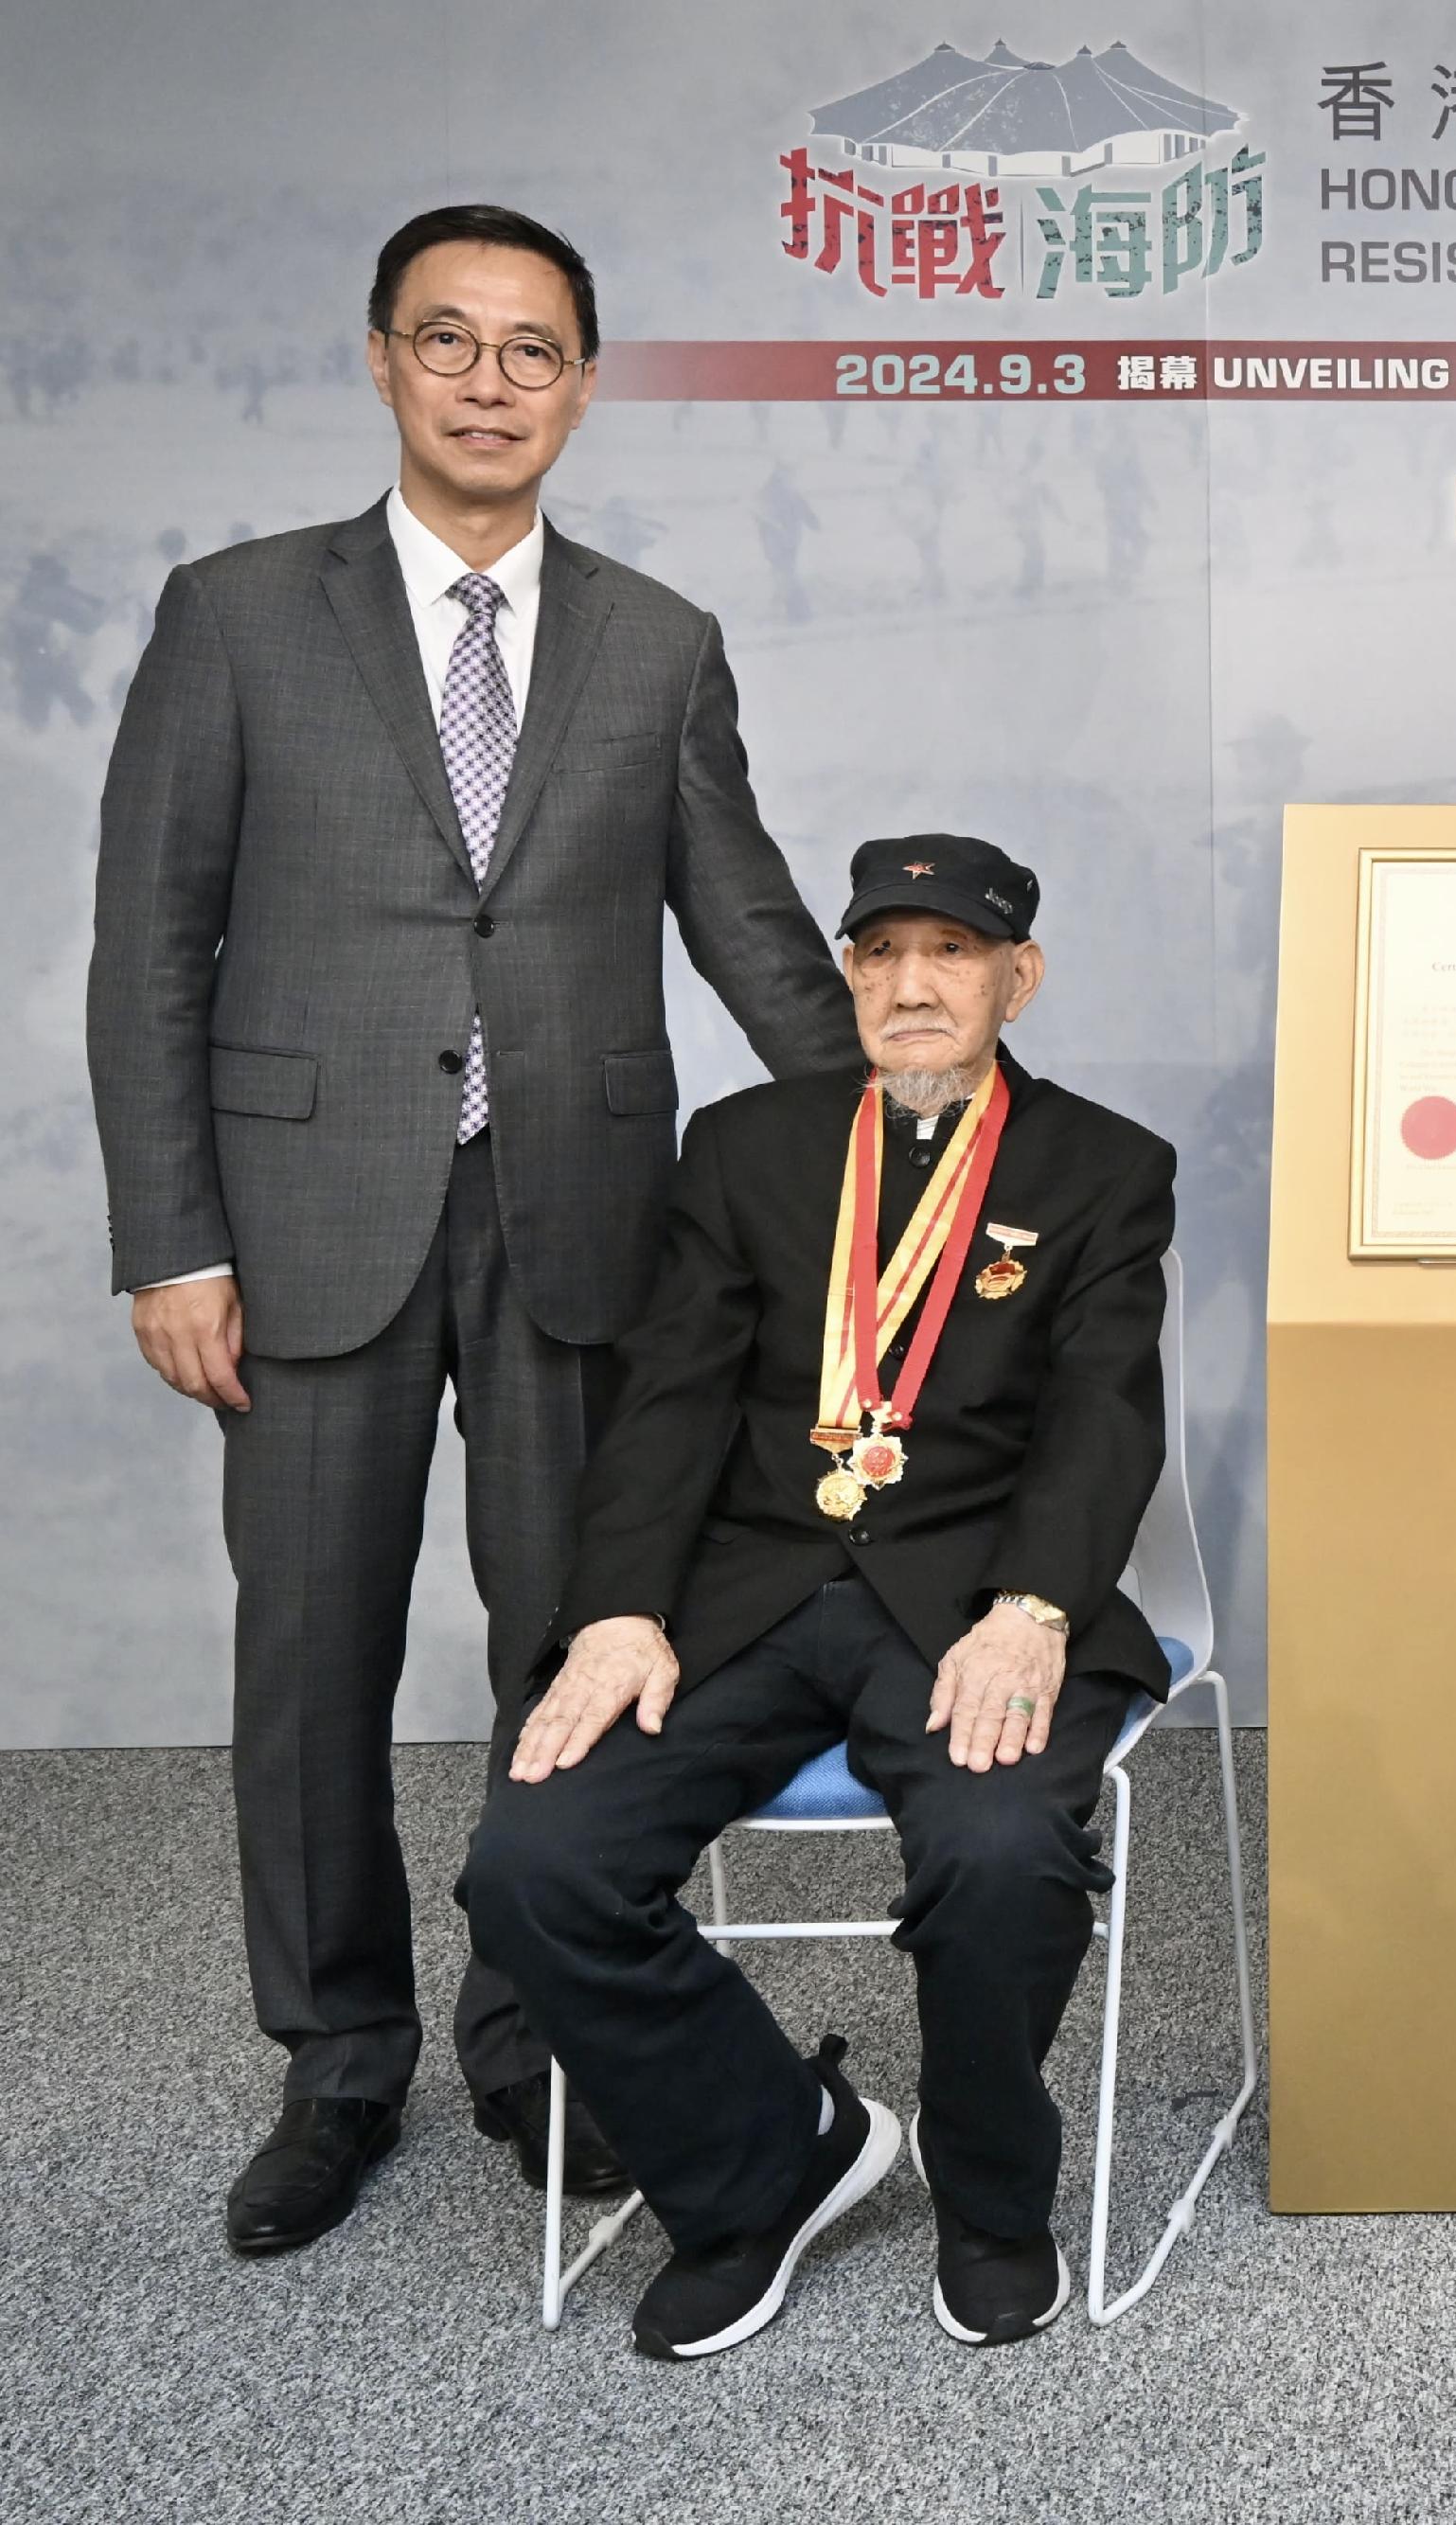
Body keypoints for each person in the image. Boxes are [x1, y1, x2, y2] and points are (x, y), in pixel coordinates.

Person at [84, 204, 859, 2258]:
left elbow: (758, 937)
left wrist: (922, 1136)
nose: (493, 380)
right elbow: (149, 944)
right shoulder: (238, 614)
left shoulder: (659, 638)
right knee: (311, 1656)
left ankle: (542, 2039)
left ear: (585, 385)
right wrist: (169, 1233)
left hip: (585, 1221)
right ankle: (339, 2055)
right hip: (308, 1218)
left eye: (535, 350)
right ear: (383, 361)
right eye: (453, 341)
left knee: (575, 1652)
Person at [459, 834, 1177, 2358]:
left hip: (977, 1602)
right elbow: (668, 1404)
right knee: (536, 1860)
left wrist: (1038, 1605)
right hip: (747, 1592)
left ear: (1016, 980)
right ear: (849, 976)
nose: (912, 984)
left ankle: (991, 2195)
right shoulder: (747, 1148)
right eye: (880, 954)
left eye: (953, 953)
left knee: (999, 1850)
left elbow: (1105, 1412)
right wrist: (619, 1607)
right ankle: (768, 2162)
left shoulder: (1104, 1169)